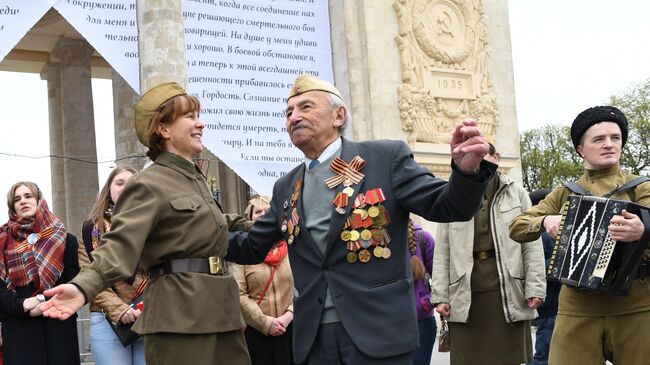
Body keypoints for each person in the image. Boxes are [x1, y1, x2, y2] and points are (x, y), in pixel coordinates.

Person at [228, 74, 498, 365]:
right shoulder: (286, 186)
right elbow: (252, 246)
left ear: (338, 115)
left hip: (379, 334)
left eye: (305, 107)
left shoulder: (384, 158)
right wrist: (198, 230)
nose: (294, 117)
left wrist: (465, 173)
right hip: (313, 340)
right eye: (289, 112)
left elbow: (447, 206)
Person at [40, 82, 278, 365]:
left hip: (222, 314)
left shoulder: (195, 180)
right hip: (179, 318)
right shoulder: (147, 183)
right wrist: (83, 288)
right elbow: (119, 246)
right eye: (189, 117)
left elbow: (219, 227)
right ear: (163, 129)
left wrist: (283, 218)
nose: (200, 124)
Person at [509, 105, 650, 364]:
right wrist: (544, 220)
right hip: (577, 307)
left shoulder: (641, 188)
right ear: (580, 150)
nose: (609, 144)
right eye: (599, 139)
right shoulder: (565, 193)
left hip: (636, 306)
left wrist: (644, 230)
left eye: (615, 138)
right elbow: (517, 226)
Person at [432, 144, 546, 365]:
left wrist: (535, 287)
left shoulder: (518, 193)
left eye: (484, 156)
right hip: (464, 291)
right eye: (472, 157)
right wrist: (440, 295)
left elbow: (531, 245)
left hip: (508, 289)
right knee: (468, 359)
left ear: (497, 157)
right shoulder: (451, 194)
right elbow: (442, 249)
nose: (479, 162)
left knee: (508, 359)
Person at [0, 181, 80, 365]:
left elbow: (73, 280)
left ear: (39, 200)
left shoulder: (65, 238)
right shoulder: (2, 241)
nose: (23, 202)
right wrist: (22, 306)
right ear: (12, 207)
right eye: (17, 199)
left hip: (58, 323)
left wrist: (41, 300)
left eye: (28, 196)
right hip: (19, 327)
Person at [78, 165, 147, 365]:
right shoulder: (91, 229)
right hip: (107, 319)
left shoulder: (154, 223)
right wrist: (120, 310)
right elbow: (89, 273)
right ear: (109, 188)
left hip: (148, 313)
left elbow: (161, 269)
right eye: (119, 183)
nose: (125, 187)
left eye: (132, 183)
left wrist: (144, 306)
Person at [231, 195, 294, 365]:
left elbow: (303, 284)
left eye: (268, 211)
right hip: (257, 333)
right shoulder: (241, 253)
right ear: (250, 219)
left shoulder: (292, 246)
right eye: (258, 211)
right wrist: (266, 324)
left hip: (291, 329)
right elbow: (239, 294)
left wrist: (289, 315)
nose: (263, 214)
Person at [526, 189, 560, 365]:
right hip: (550, 303)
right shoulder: (542, 235)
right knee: (544, 354)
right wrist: (560, 262)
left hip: (550, 303)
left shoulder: (543, 233)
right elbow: (536, 266)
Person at [407, 220, 437, 365]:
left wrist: (425, 303)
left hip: (422, 323)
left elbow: (442, 279)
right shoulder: (380, 241)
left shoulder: (424, 239)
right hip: (389, 324)